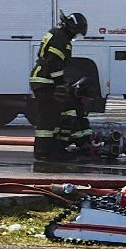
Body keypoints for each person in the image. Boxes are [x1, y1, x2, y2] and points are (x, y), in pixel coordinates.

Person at [29, 11, 90, 161]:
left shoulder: (55, 33)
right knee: (48, 117)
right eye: (76, 32)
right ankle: (44, 151)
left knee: (56, 114)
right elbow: (54, 63)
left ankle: (53, 149)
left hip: (42, 78)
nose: (75, 36)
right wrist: (61, 84)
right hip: (45, 80)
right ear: (72, 28)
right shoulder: (62, 39)